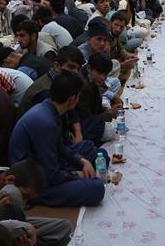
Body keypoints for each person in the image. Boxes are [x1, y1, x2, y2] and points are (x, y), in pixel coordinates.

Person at [9, 73, 105, 207]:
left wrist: (82, 162)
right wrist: (78, 174)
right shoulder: (45, 122)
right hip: (34, 177)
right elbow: (51, 174)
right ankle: (33, 196)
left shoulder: (50, 108)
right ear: (72, 99)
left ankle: (78, 171)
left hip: (49, 162)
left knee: (95, 152)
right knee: (97, 188)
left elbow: (60, 147)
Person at [19, 46, 84, 115]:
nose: (76, 72)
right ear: (56, 66)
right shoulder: (46, 92)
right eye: (71, 67)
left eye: (78, 68)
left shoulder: (59, 82)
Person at [76, 53, 121, 145]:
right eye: (100, 73)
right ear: (89, 68)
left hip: (90, 119)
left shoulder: (93, 80)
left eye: (106, 74)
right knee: (109, 132)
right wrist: (109, 113)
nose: (103, 78)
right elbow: (87, 120)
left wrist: (107, 111)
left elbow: (96, 108)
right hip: (80, 128)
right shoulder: (83, 88)